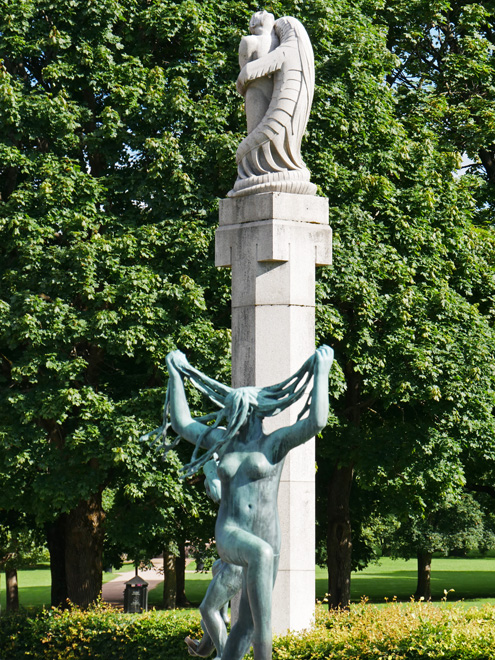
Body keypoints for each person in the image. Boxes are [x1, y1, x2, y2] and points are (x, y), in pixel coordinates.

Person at [158, 345, 333, 660]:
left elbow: (316, 423)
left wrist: (322, 371)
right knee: (260, 553)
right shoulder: (221, 443)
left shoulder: (274, 444)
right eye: (235, 411)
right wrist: (175, 374)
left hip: (269, 536)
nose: (240, 419)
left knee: (248, 624)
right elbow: (183, 423)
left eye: (246, 413)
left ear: (257, 413)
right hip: (231, 531)